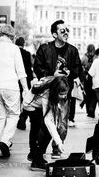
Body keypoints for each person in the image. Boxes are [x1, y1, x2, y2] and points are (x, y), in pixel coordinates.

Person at [33, 20, 82, 159]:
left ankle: (57, 147)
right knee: (47, 120)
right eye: (62, 31)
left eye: (67, 30)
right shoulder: (44, 49)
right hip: (47, 91)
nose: (66, 33)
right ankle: (38, 153)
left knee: (62, 122)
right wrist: (51, 75)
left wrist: (70, 73)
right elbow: (37, 67)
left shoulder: (73, 50)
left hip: (63, 92)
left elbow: (78, 69)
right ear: (54, 34)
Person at [23, 76, 69, 171]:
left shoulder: (53, 84)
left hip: (36, 103)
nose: (64, 96)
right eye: (61, 94)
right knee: (43, 130)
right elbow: (49, 121)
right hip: (30, 106)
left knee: (40, 131)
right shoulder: (46, 95)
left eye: (65, 94)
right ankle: (36, 160)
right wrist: (59, 142)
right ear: (55, 91)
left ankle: (35, 155)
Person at [0, 25, 29, 158]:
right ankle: (4, 141)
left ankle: (0, 143)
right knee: (13, 115)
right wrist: (25, 89)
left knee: (0, 116)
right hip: (11, 86)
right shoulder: (14, 48)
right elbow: (20, 71)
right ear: (11, 36)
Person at [15, 37, 34, 130]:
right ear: (23, 44)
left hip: (15, 80)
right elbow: (31, 66)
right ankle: (23, 117)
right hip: (26, 79)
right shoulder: (27, 54)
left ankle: (18, 118)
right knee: (26, 100)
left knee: (15, 100)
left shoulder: (14, 52)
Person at [81, 44, 97, 118]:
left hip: (86, 78)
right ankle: (92, 110)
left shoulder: (84, 57)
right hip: (94, 78)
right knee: (94, 95)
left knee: (87, 94)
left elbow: (80, 66)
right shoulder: (96, 57)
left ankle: (88, 111)